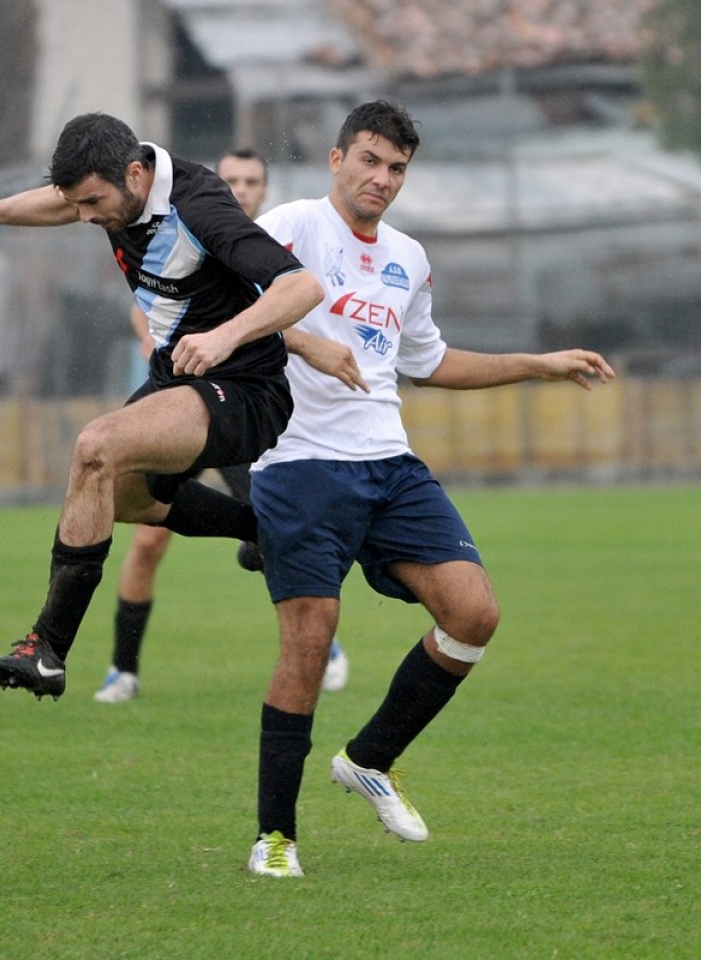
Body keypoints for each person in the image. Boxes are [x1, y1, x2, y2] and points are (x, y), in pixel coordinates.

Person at [243, 101, 615, 877]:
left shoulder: (408, 256)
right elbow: (230, 307)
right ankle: (275, 837)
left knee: (474, 612)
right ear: (338, 159)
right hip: (299, 462)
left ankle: (372, 757)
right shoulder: (294, 226)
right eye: (371, 160)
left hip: (389, 462)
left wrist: (537, 363)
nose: (383, 178)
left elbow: (429, 362)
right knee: (309, 644)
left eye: (398, 168)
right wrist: (305, 340)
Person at [0, 113, 324, 702]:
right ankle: (264, 529)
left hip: (246, 386)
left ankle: (47, 648)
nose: (85, 217)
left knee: (95, 447)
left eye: (92, 202)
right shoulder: (115, 187)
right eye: (78, 202)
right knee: (125, 497)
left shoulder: (200, 205)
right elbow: (63, 204)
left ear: (135, 174)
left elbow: (303, 287)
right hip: (178, 377)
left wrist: (223, 337)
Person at [95, 148, 351, 704]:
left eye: (251, 180)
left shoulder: (260, 247)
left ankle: (323, 647)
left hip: (232, 407)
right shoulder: (189, 227)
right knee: (146, 541)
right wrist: (149, 329)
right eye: (230, 178)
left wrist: (311, 348)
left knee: (266, 526)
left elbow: (275, 314)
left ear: (265, 188)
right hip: (176, 400)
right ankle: (123, 669)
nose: (239, 188)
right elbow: (146, 298)